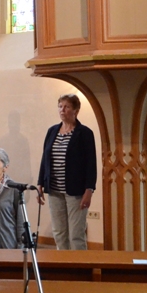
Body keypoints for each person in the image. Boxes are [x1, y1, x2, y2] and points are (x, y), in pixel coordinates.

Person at [36, 94, 97, 250]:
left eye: (67, 107)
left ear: (76, 110)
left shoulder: (84, 133)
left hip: (76, 191)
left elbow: (91, 164)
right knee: (59, 233)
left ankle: (79, 264)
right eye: (60, 106)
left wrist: (89, 190)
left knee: (76, 234)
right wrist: (40, 183)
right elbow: (45, 159)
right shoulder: (52, 131)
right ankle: (63, 263)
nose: (62, 110)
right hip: (54, 190)